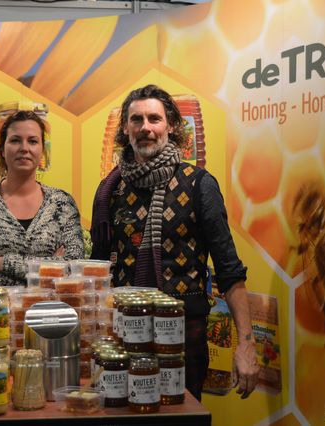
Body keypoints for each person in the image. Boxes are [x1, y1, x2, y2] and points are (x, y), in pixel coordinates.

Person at [90, 84, 259, 400]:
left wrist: (247, 344)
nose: (146, 127)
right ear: (125, 129)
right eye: (136, 119)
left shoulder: (199, 184)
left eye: (154, 119)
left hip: (183, 335)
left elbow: (229, 270)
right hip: (122, 334)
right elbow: (98, 272)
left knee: (180, 416)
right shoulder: (109, 191)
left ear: (170, 127)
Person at [0, 110, 84, 288]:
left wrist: (3, 263)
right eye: (15, 140)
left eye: (32, 141)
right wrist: (50, 267)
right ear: (2, 149)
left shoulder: (62, 204)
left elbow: (72, 268)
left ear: (42, 150)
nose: (24, 148)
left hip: (51, 306)